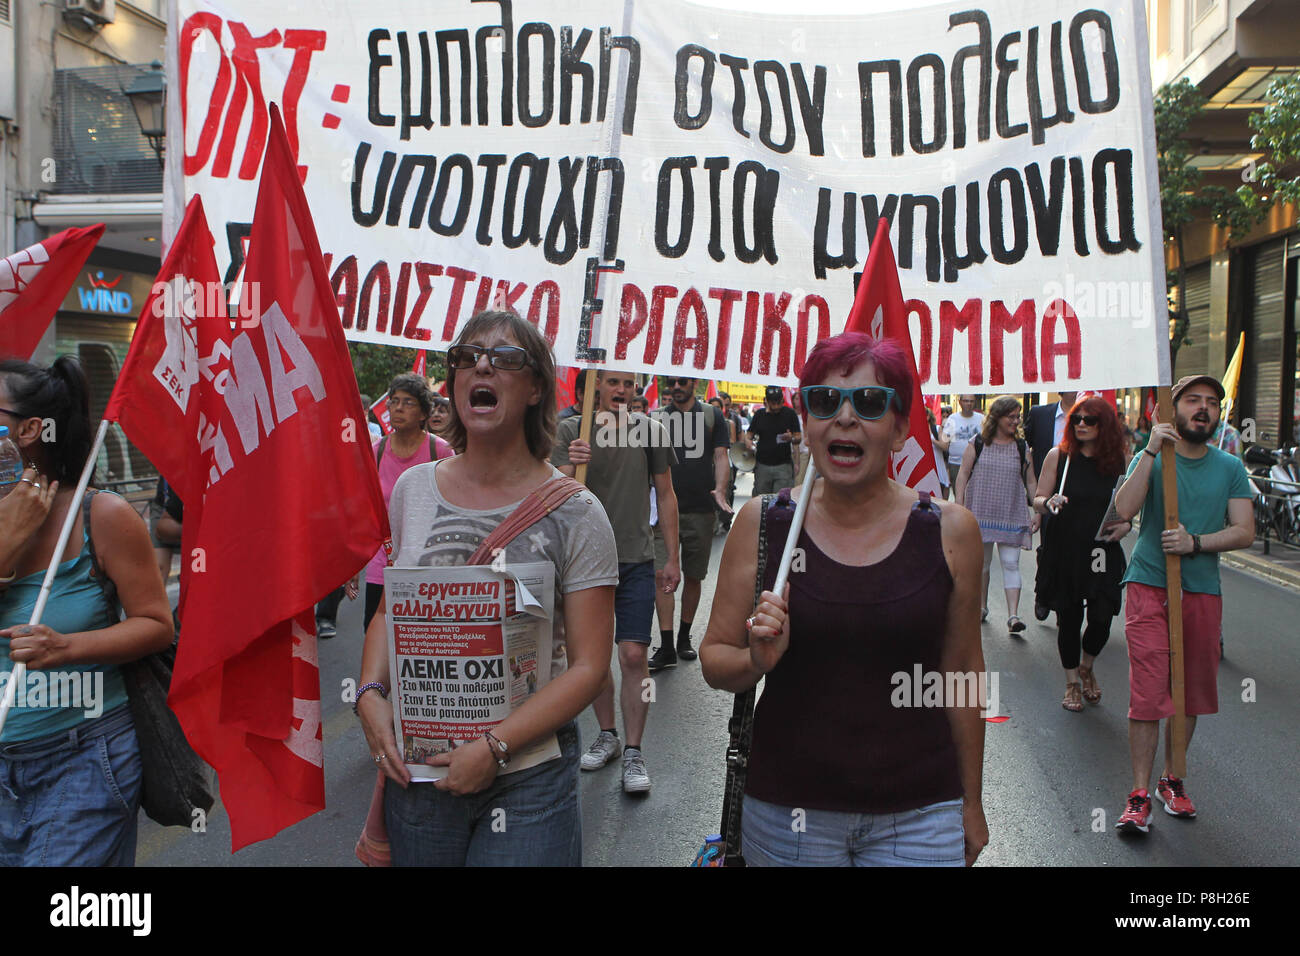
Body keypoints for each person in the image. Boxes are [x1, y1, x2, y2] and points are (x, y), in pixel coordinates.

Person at [700, 332, 988, 867]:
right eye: (825, 401)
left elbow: (964, 672)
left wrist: (971, 802)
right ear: (806, 422)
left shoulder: (952, 531)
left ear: (901, 428)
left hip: (922, 815)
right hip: (788, 817)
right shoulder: (763, 524)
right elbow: (715, 661)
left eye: (871, 403)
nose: (846, 418)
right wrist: (755, 660)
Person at [355, 311, 619, 866]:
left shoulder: (579, 512)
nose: (482, 366)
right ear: (453, 383)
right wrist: (368, 695)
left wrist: (494, 747)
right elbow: (390, 614)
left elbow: (590, 667)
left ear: (535, 389)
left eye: (505, 359)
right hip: (420, 775)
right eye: (467, 357)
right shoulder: (413, 490)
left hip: (528, 780)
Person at [0, 357, 173, 866]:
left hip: (84, 759)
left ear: (30, 430)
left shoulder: (103, 515)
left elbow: (157, 625)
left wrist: (66, 646)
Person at [1110, 375, 1253, 834]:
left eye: (1212, 402)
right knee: (1149, 693)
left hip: (1201, 590)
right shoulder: (1152, 457)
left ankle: (1172, 779)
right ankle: (1137, 794)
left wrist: (1195, 542)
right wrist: (1150, 450)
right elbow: (1123, 511)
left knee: (1188, 692)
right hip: (1150, 585)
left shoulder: (1230, 467)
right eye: (1193, 400)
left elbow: (1245, 530)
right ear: (1171, 411)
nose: (1204, 408)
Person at [552, 369, 681, 793]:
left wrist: (672, 557)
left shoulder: (651, 430)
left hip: (636, 560)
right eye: (613, 382)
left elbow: (665, 494)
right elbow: (550, 499)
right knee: (590, 660)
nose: (622, 391)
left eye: (629, 383)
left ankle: (634, 751)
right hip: (583, 565)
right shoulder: (570, 430)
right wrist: (572, 463)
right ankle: (607, 734)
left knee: (632, 656)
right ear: (594, 388)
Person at [1032, 397, 1131, 712]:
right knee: (1069, 617)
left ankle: (1088, 664)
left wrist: (1126, 524)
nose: (1082, 425)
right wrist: (1048, 504)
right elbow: (1038, 498)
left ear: (1105, 425)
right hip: (1066, 547)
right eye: (1077, 420)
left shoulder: (1118, 461)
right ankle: (1072, 681)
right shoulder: (1059, 457)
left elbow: (1128, 506)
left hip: (1101, 549)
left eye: (1090, 420)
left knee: (1103, 615)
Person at [649, 376, 732, 670]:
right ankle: (667, 644)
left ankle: (684, 637)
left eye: (682, 382)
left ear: (694, 384)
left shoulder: (712, 416)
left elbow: (722, 456)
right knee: (663, 576)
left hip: (701, 509)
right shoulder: (655, 419)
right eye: (671, 382)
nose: (676, 387)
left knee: (694, 576)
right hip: (663, 512)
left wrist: (720, 491)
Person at [955, 396, 1040, 635]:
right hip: (979, 513)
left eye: (1017, 417)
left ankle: (1013, 616)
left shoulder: (1022, 447)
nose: (1016, 421)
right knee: (982, 565)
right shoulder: (978, 443)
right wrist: (959, 506)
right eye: (1010, 417)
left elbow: (1031, 481)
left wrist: (1038, 510)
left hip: (1011, 514)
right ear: (997, 418)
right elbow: (962, 475)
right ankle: (982, 607)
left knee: (1011, 564)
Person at [747, 386, 802, 496]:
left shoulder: (790, 414)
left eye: (778, 402)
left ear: (782, 400)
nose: (776, 405)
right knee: (760, 499)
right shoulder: (759, 415)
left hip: (783, 466)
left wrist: (791, 437)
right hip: (762, 465)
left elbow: (798, 437)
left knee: (782, 500)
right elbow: (748, 435)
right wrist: (749, 444)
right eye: (773, 402)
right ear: (766, 401)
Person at [1025, 391, 1078, 480]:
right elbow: (1025, 446)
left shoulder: (1089, 418)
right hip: (1041, 480)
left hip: (1075, 480)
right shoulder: (1039, 414)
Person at [941, 395, 983, 489]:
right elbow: (945, 441)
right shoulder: (952, 419)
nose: (969, 404)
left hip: (977, 463)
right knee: (959, 493)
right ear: (960, 402)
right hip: (956, 463)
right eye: (966, 401)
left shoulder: (981, 419)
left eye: (971, 401)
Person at [927, 407, 952, 500]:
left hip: (939, 466)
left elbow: (945, 446)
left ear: (928, 417)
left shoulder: (938, 429)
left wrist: (932, 440)